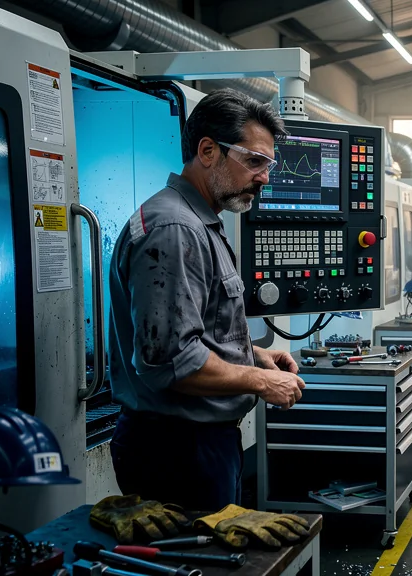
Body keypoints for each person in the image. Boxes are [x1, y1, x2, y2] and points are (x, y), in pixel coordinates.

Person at [107, 88, 306, 512]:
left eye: (268, 165)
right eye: (254, 161)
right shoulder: (175, 229)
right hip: (176, 451)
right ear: (208, 151)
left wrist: (254, 356)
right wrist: (260, 381)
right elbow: (170, 361)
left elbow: (197, 333)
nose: (264, 177)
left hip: (197, 444)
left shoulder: (198, 223)